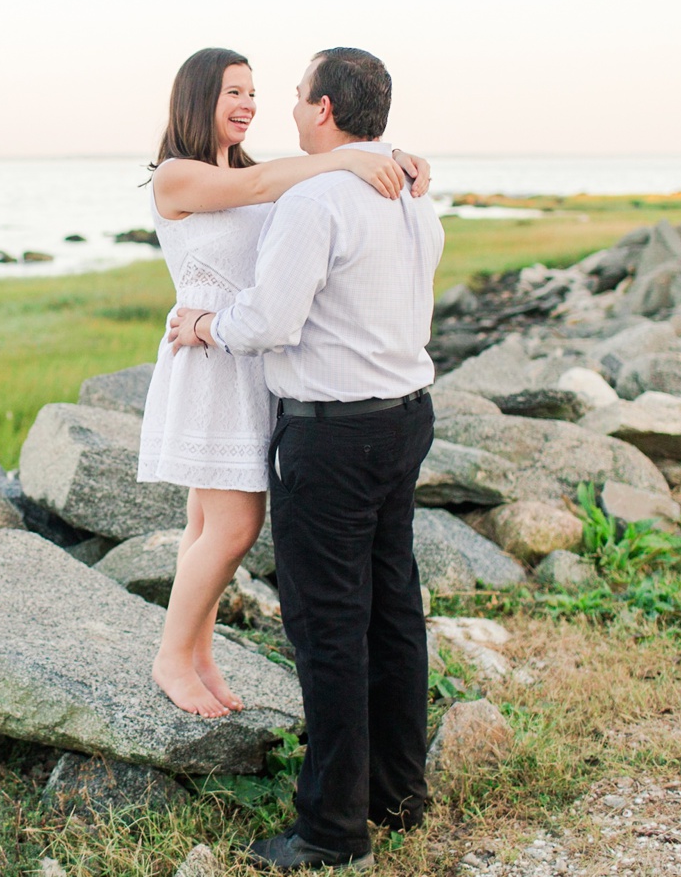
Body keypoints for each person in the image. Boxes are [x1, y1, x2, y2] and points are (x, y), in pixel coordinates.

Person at [169, 47, 443, 871]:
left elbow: (266, 324)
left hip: (332, 435)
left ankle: (331, 830)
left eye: (291, 95)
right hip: (405, 419)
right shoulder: (410, 196)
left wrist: (208, 327)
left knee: (327, 629)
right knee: (392, 611)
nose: (282, 107)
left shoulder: (320, 197)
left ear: (322, 109)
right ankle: (399, 795)